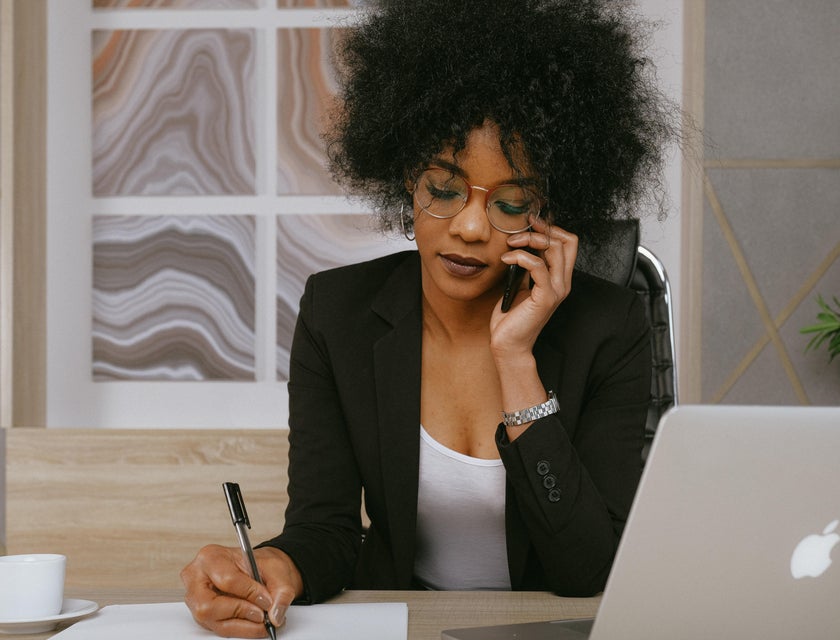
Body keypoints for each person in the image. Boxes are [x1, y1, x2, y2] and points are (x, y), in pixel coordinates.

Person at [181, 0, 677, 636]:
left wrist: (516, 361)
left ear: (548, 211)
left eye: (512, 201)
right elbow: (324, 530)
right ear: (403, 182)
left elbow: (588, 569)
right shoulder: (339, 316)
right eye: (443, 190)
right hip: (404, 624)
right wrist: (275, 563)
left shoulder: (608, 326)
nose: (470, 228)